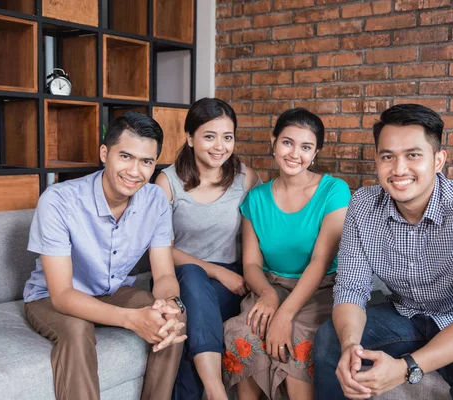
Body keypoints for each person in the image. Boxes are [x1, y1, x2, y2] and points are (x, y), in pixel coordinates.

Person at [313, 104, 453, 400]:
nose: (399, 169)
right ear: (377, 160)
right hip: (406, 314)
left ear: (438, 160)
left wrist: (404, 368)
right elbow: (350, 289)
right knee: (330, 340)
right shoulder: (362, 205)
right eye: (388, 156)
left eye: (413, 155)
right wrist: (351, 347)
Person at [23, 112, 187, 400]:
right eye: (125, 156)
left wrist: (170, 303)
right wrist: (131, 319)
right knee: (76, 329)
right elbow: (62, 294)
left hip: (111, 291)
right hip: (51, 297)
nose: (135, 171)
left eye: (146, 161)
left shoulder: (156, 200)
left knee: (170, 318)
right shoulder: (59, 200)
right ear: (104, 153)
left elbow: (163, 274)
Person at [222, 108, 352, 400]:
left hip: (321, 287)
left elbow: (320, 261)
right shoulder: (256, 198)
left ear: (316, 152)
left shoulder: (334, 191)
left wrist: (284, 315)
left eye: (306, 147)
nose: (295, 153)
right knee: (245, 331)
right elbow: (252, 263)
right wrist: (268, 295)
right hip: (271, 284)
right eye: (287, 142)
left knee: (297, 337)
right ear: (274, 142)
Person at [155, 97, 261, 400]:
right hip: (177, 276)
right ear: (190, 138)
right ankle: (216, 391)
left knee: (193, 322)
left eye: (227, 137)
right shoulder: (168, 182)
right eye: (209, 136)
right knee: (192, 279)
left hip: (231, 283)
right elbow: (161, 248)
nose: (220, 146)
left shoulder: (245, 178)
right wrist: (215, 271)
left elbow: (267, 225)